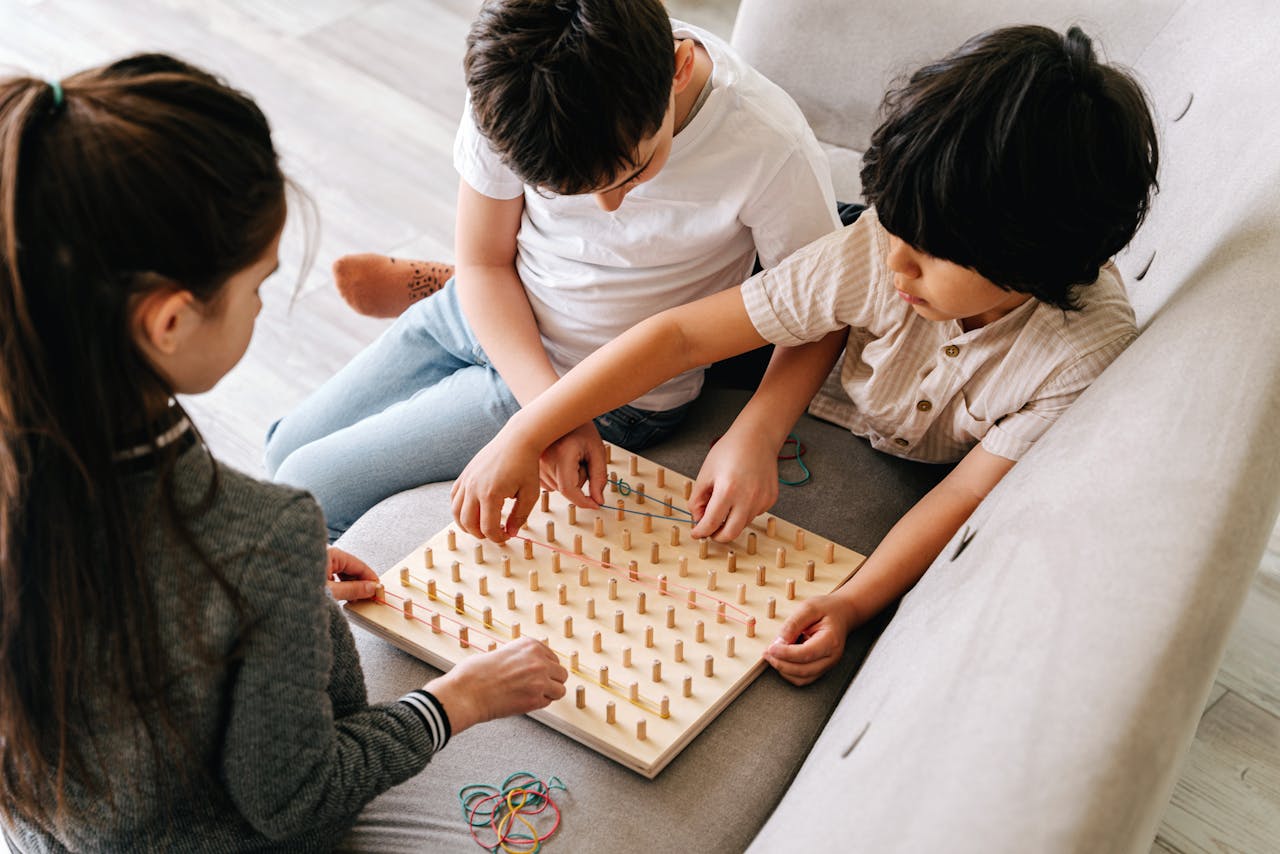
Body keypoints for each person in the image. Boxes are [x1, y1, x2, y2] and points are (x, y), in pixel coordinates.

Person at [449, 25, 1159, 685]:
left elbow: (967, 493)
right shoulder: (877, 249)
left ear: (1031, 263)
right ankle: (448, 281)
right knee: (805, 279)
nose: (899, 263)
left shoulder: (1078, 357)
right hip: (814, 316)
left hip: (878, 379)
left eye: (928, 251)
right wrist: (528, 429)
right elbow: (682, 335)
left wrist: (852, 604)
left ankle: (443, 281)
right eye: (896, 229)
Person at [0, 54, 566, 850]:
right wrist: (460, 698)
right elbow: (299, 798)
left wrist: (254, 589)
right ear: (168, 323)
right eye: (258, 286)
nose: (265, 304)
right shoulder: (257, 539)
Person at [261, 0, 840, 541]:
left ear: (679, 67)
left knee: (307, 489)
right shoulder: (512, 89)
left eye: (634, 174)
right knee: (282, 447)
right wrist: (544, 416)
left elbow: (824, 310)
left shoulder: (767, 145)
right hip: (480, 308)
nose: (608, 208)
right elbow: (486, 261)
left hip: (609, 391)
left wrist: (758, 432)